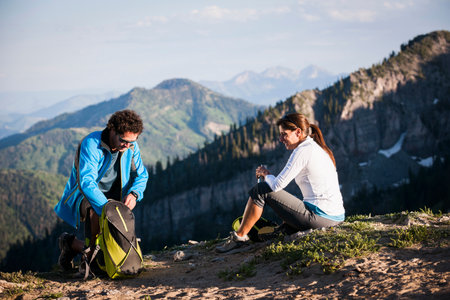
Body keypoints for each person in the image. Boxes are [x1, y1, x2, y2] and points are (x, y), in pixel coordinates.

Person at [216, 112, 345, 253]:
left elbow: (277, 185)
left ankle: (239, 237)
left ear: (298, 132)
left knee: (260, 190)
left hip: (320, 217)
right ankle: (269, 232)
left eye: (284, 134)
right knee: (277, 233)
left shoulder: (303, 151)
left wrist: (267, 175)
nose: (280, 139)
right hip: (334, 217)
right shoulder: (315, 147)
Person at [54, 109, 149, 271]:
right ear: (112, 130)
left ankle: (70, 244)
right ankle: (90, 263)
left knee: (112, 234)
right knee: (94, 215)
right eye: (124, 141)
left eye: (132, 142)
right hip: (85, 195)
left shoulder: (131, 147)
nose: (127, 146)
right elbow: (86, 182)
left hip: (116, 195)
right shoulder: (91, 143)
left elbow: (142, 175)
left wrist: (134, 193)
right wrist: (106, 209)